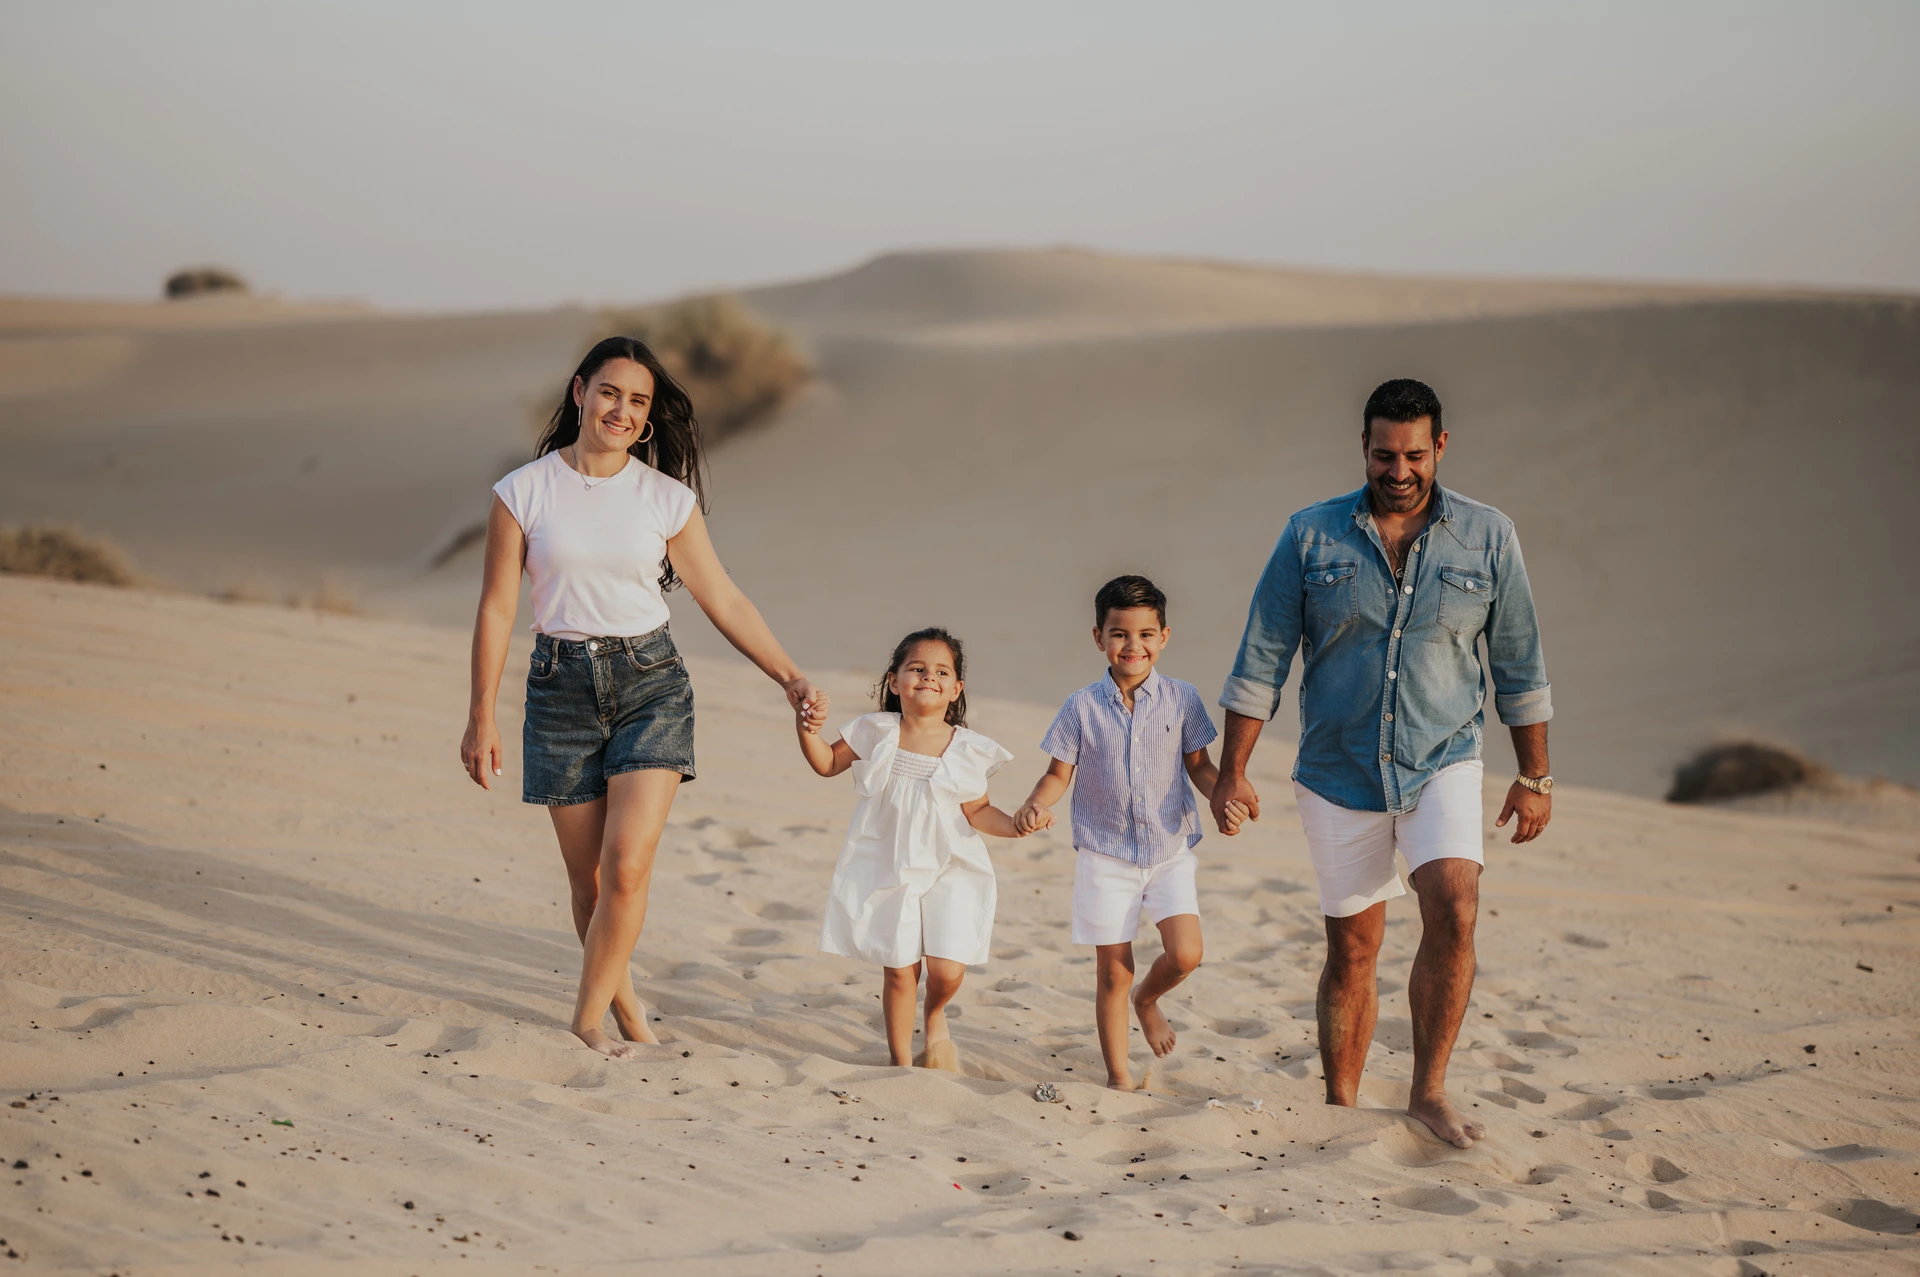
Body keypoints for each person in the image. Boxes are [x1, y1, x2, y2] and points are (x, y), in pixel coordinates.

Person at [1211, 378, 1553, 1147]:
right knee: (1354, 946)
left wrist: (1535, 775)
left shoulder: (1488, 537)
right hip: (1338, 770)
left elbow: (1519, 663)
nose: (1398, 469)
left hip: (1444, 759)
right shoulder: (1310, 535)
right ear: (1363, 448)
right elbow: (1260, 659)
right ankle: (1340, 1105)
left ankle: (1428, 1092)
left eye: (1413, 454)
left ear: (1440, 448)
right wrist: (1233, 770)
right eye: (1382, 454)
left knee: (1455, 905)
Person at [460, 336, 823, 1059]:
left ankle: (585, 1020)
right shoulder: (522, 491)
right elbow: (498, 607)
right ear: (578, 392)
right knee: (589, 883)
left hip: (650, 684)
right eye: (609, 393)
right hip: (558, 690)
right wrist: (480, 714)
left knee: (627, 865)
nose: (620, 410)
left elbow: (722, 595)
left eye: (638, 401)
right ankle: (625, 1010)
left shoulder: (665, 498)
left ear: (650, 418)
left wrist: (789, 674)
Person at [1014, 576, 1248, 1091]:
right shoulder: (1081, 706)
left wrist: (1222, 797)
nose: (1132, 645)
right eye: (1119, 634)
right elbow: (1058, 775)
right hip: (1105, 854)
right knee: (1113, 973)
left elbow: (1201, 766)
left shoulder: (1183, 699)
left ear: (1164, 636)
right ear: (1098, 637)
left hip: (1169, 849)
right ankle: (1119, 1078)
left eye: (1145, 634)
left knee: (1186, 954)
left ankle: (1149, 999)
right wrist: (1035, 802)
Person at [798, 628, 1022, 1072]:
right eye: (916, 668)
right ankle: (900, 1063)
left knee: (947, 970)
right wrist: (808, 729)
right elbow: (826, 764)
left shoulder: (968, 748)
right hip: (889, 864)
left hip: (951, 865)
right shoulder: (874, 731)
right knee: (900, 970)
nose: (928, 677)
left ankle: (935, 1012)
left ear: (956, 689)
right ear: (894, 680)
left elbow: (979, 812)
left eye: (942, 671)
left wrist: (1016, 825)